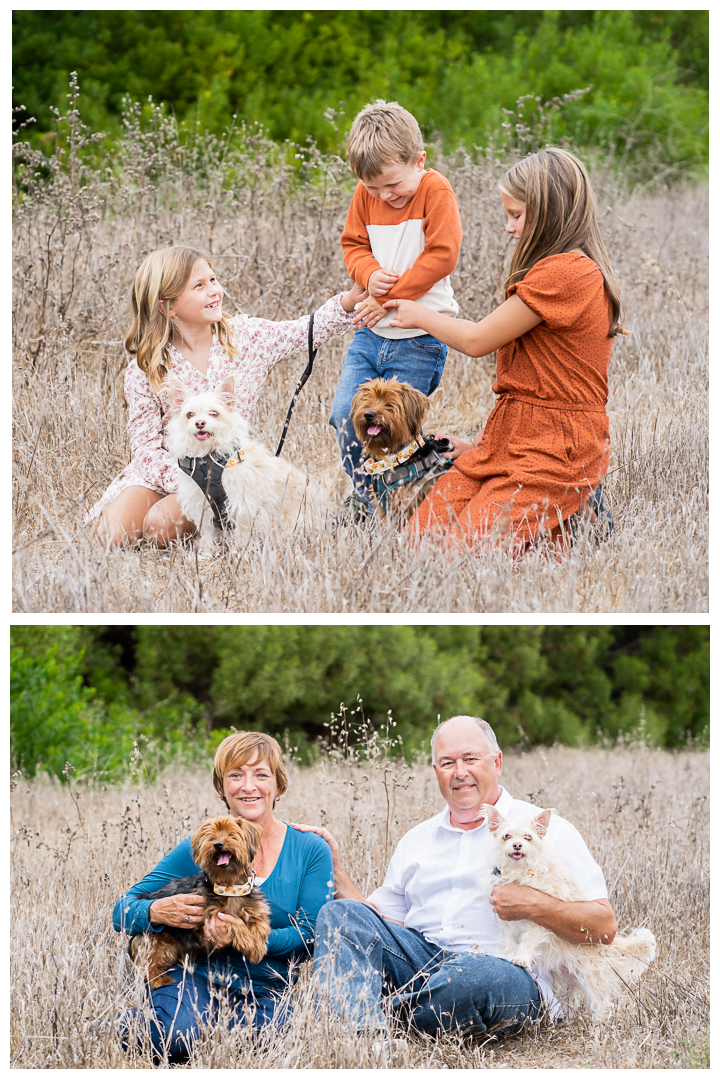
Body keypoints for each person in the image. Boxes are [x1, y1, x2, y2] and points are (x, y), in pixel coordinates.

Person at [292, 715, 616, 1038]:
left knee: (474, 976)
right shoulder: (416, 840)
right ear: (436, 772)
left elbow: (603, 927)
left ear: (497, 762)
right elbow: (377, 928)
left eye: (471, 759)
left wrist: (536, 905)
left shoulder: (544, 830)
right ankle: (364, 1034)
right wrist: (337, 871)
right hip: (423, 961)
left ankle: (380, 1014)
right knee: (339, 913)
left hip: (505, 972)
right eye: (447, 762)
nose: (460, 772)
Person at [383, 147, 625, 553]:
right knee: (417, 544)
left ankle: (577, 511)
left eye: (516, 215)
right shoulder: (555, 269)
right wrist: (481, 450)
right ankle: (566, 517)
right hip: (512, 437)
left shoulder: (569, 272)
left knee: (464, 553)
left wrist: (420, 314)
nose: (510, 228)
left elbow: (477, 340)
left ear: (551, 213)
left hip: (556, 446)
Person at [87, 246, 366, 546]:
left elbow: (303, 331)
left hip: (223, 470)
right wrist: (181, 478)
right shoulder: (146, 368)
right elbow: (144, 446)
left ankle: (210, 531)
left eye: (213, 280)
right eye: (199, 286)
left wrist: (348, 302)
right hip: (167, 471)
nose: (214, 291)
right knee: (108, 537)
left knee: (158, 527)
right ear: (167, 307)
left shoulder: (244, 336)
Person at [112, 732, 333, 1061]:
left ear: (279, 786)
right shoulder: (201, 845)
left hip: (266, 989)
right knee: (174, 1040)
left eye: (261, 774)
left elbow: (312, 933)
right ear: (222, 787)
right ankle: (141, 1025)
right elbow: (121, 912)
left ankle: (211, 1031)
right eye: (235, 775)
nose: (248, 786)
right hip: (197, 977)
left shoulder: (309, 849)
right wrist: (157, 912)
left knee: (272, 1048)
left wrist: (243, 936)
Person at [329, 99, 463, 513]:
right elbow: (353, 244)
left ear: (419, 161)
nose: (384, 196)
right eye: (373, 189)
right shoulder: (366, 193)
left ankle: (408, 503)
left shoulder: (434, 189)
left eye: (393, 186)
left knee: (398, 428)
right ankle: (369, 498)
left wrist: (384, 296)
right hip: (371, 335)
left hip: (419, 338)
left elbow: (443, 254)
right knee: (343, 416)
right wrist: (368, 275)